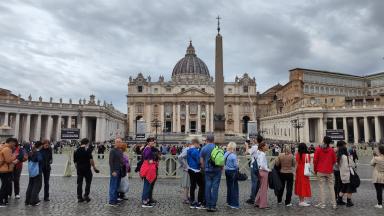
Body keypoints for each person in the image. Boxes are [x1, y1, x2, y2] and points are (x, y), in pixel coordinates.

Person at [200, 134, 222, 212]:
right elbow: (221, 160)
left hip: (207, 170)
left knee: (207, 187)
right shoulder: (217, 148)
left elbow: (201, 161)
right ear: (213, 140)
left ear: (207, 140)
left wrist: (203, 168)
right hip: (217, 170)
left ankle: (208, 205)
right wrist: (221, 168)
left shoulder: (203, 148)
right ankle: (213, 206)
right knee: (215, 188)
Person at [313, 136, 337, 209]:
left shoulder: (318, 149)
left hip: (320, 170)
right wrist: (329, 165)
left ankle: (322, 203)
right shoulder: (331, 150)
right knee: (331, 187)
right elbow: (334, 160)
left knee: (321, 188)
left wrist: (315, 170)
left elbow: (315, 161)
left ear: (323, 141)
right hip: (329, 171)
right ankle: (334, 204)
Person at [74, 138, 100, 203]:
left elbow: (75, 163)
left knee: (79, 183)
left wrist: (78, 169)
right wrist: (94, 168)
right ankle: (86, 195)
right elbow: (91, 160)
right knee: (88, 183)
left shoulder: (76, 150)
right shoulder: (88, 150)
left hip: (79, 169)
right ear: (87, 143)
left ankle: (79, 197)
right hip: (87, 169)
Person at [140, 137, 159, 208]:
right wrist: (152, 160)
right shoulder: (148, 149)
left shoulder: (147, 148)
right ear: (148, 142)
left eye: (153, 141)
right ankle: (145, 201)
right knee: (147, 185)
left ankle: (146, 200)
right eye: (151, 141)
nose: (153, 142)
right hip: (148, 169)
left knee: (147, 185)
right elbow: (147, 158)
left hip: (148, 169)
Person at [187, 138, 205, 209]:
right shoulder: (195, 151)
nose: (199, 145)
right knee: (202, 185)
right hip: (196, 170)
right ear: (195, 144)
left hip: (190, 169)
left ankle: (192, 201)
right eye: (199, 144)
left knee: (193, 185)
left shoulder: (189, 150)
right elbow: (199, 161)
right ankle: (199, 202)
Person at [244, 135, 262, 204]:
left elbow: (246, 152)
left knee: (254, 182)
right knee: (258, 183)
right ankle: (257, 196)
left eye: (254, 139)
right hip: (260, 166)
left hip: (254, 165)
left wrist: (246, 145)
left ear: (257, 140)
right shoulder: (261, 146)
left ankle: (252, 198)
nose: (253, 139)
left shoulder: (255, 147)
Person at [0, 138, 18, 207]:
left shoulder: (4, 148)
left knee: (5, 185)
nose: (15, 144)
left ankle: (5, 200)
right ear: (10, 142)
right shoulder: (7, 149)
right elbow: (8, 160)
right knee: (4, 186)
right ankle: (1, 201)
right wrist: (15, 156)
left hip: (4, 169)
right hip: (5, 170)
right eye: (14, 143)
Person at [25, 141, 43, 206]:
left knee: (30, 186)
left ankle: (27, 200)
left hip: (31, 172)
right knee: (36, 187)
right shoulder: (38, 153)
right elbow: (39, 159)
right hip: (37, 172)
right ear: (40, 146)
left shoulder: (31, 152)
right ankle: (33, 201)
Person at [108, 138, 124, 206]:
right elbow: (110, 162)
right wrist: (112, 171)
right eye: (119, 142)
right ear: (116, 143)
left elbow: (121, 161)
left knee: (117, 186)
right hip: (115, 170)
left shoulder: (120, 151)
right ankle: (112, 201)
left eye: (121, 142)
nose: (120, 143)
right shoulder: (112, 151)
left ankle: (115, 199)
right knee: (113, 186)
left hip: (120, 170)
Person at [254, 142, 270, 209]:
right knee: (264, 189)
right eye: (266, 146)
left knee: (261, 188)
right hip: (263, 171)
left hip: (260, 171)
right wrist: (269, 170)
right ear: (263, 147)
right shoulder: (262, 154)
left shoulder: (259, 153)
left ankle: (257, 202)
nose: (267, 147)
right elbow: (262, 165)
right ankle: (263, 205)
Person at [224, 142, 239, 209]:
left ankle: (229, 202)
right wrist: (238, 162)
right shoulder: (233, 155)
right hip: (233, 172)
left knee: (229, 187)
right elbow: (236, 166)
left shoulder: (226, 154)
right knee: (234, 188)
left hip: (227, 171)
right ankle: (234, 204)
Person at [334, 141, 347, 205]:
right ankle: (339, 198)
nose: (345, 146)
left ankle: (336, 196)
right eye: (344, 145)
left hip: (335, 169)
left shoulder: (335, 150)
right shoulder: (339, 151)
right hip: (339, 170)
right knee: (340, 184)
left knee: (337, 183)